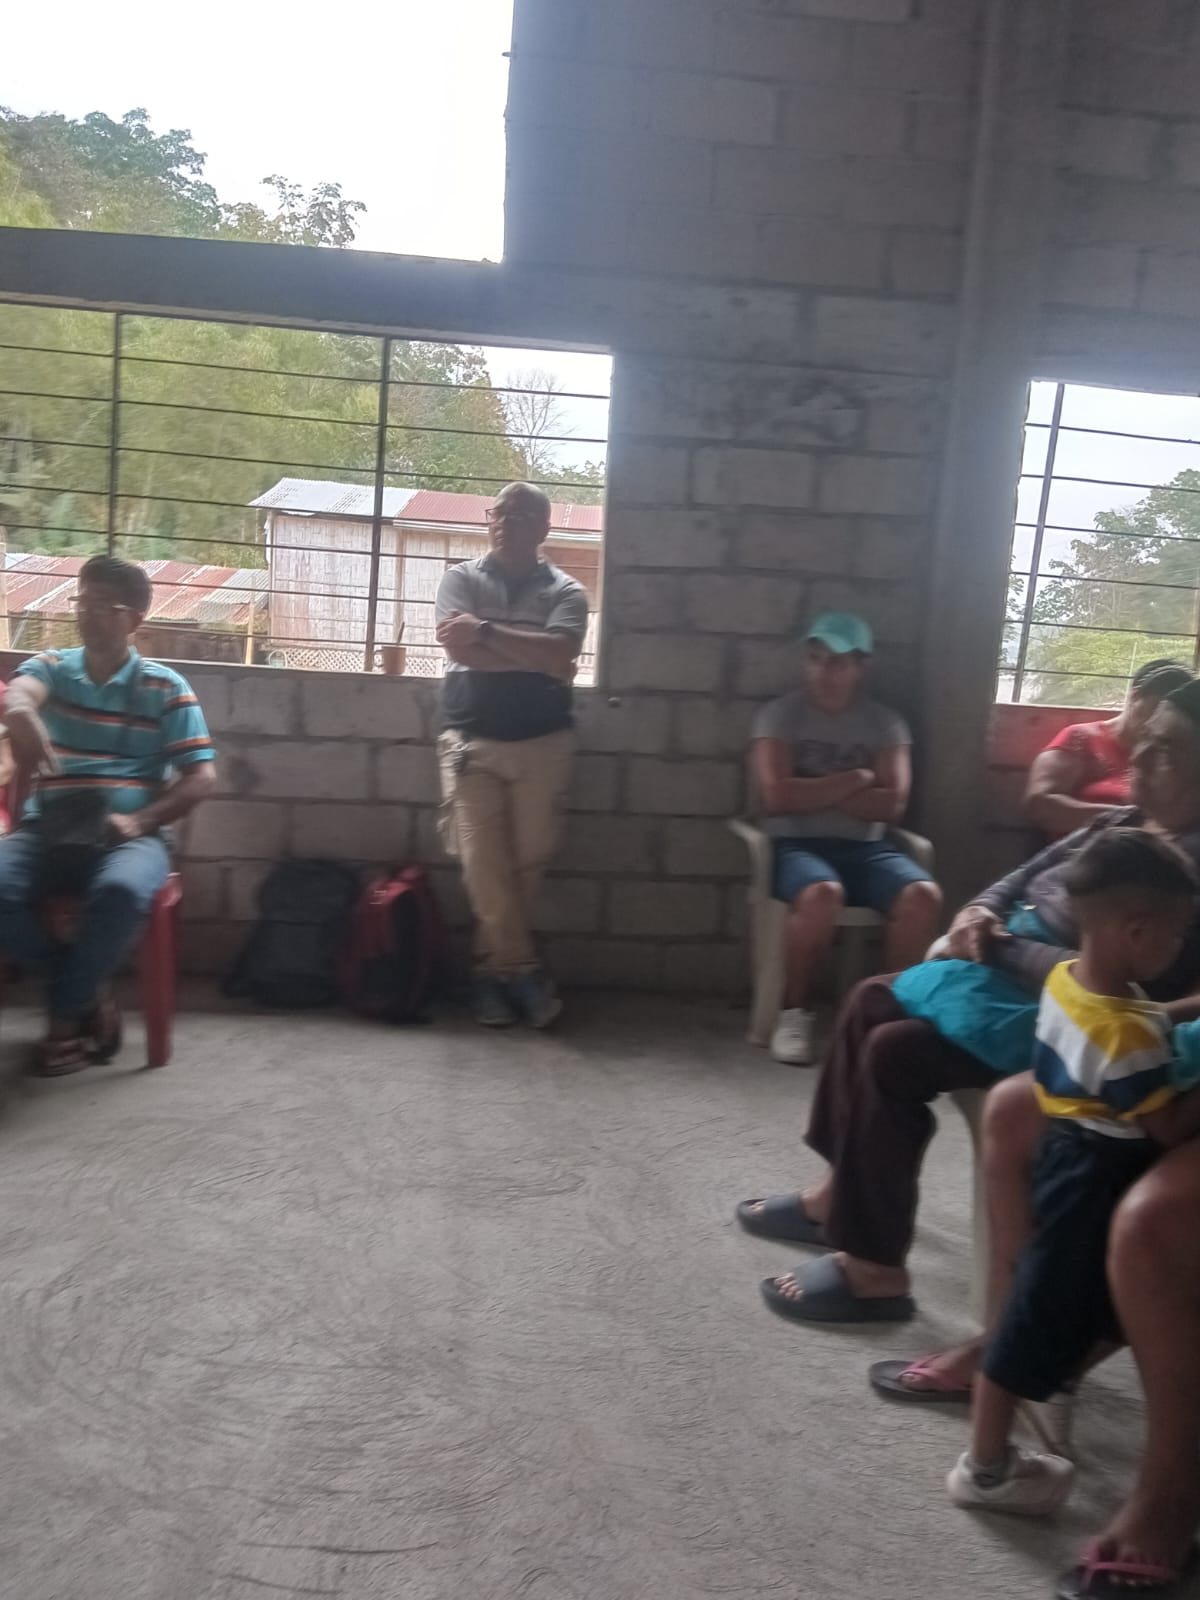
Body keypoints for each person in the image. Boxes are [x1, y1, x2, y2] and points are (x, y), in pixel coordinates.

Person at [736, 678, 1200, 1325]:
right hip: (1012, 980)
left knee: (895, 1051)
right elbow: (1026, 876)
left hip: (1083, 1028)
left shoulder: (1183, 871)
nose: (1142, 758)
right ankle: (837, 1196)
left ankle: (874, 1271)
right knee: (871, 1000)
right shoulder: (1121, 822)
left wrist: (997, 948)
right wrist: (980, 909)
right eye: (1144, 740)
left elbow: (1113, 977)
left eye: (1168, 750)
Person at [946, 829, 1200, 1517]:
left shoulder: (1070, 980)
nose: (1181, 947)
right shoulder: (1127, 1032)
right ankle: (985, 1468)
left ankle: (1015, 1426)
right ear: (1136, 931)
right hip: (1095, 1175)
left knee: (1064, 1304)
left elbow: (1147, 1019)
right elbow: (1167, 1126)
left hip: (1066, 1148)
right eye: (1178, 934)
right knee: (1032, 1316)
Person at [0, 554, 216, 1075]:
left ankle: (63, 1021)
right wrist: (21, 711)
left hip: (129, 836)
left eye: (104, 605)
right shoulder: (53, 667)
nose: (87, 613)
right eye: (82, 601)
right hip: (48, 828)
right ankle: (82, 994)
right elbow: (23, 690)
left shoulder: (166, 687)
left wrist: (139, 823)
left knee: (119, 892)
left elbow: (202, 776)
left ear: (135, 618)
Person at [750, 611, 942, 1065]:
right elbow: (778, 797)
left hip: (867, 849)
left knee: (923, 897)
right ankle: (794, 1012)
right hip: (795, 846)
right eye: (815, 659)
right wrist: (856, 779)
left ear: (861, 667)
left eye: (836, 662)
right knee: (822, 894)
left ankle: (885, 1019)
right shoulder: (781, 715)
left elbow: (891, 805)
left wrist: (812, 792)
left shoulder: (885, 723)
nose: (823, 672)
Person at [435, 481, 588, 1030]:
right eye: (499, 513)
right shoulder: (460, 578)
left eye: (521, 515)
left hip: (544, 746)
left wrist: (485, 632)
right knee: (483, 862)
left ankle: (489, 977)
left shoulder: (568, 591)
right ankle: (521, 972)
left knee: (526, 863)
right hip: (470, 742)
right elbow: (457, 647)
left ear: (544, 527)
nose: (506, 522)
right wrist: (537, 656)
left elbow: (563, 652)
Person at [1023, 660, 1191, 839]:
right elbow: (1040, 804)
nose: (1161, 721)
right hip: (1081, 849)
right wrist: (1131, 821)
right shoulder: (1081, 738)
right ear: (1135, 697)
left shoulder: (1171, 756)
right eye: (1156, 710)